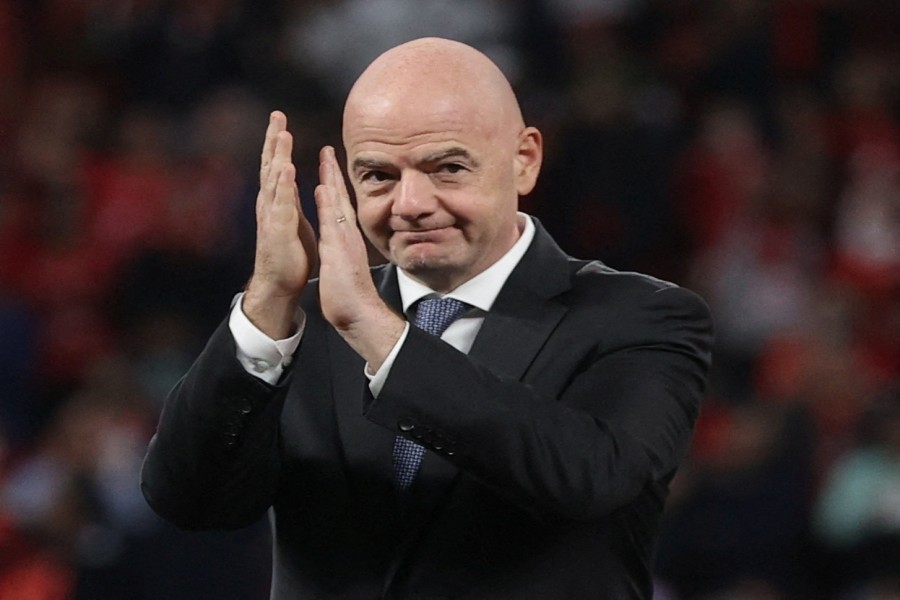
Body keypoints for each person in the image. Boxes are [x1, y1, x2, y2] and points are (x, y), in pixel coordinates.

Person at [141, 37, 713, 599]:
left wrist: (377, 332)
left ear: (524, 160)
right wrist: (267, 301)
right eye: (378, 175)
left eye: (447, 168)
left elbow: (592, 478)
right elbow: (188, 500)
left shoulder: (645, 318)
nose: (410, 203)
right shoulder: (296, 327)